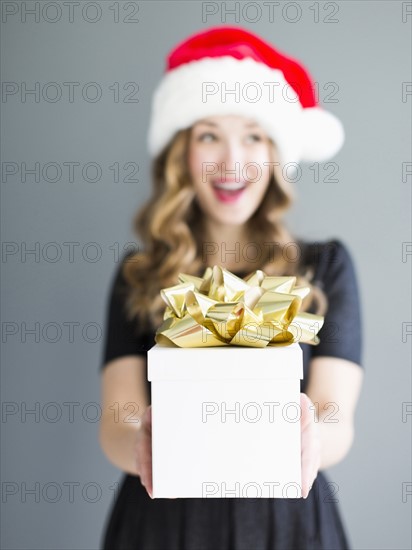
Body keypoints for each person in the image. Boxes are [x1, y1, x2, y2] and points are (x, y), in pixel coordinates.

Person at [98, 26, 364, 550]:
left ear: (275, 151)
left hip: (287, 524)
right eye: (208, 135)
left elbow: (335, 413)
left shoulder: (324, 268)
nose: (231, 160)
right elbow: (117, 418)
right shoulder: (140, 273)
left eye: (253, 135)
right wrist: (144, 446)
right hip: (162, 522)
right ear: (181, 153)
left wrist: (311, 440)